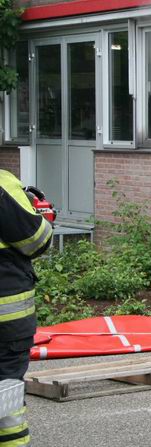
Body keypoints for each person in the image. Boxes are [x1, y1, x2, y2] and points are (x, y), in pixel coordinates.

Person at [0, 170, 54, 447]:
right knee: (5, 388)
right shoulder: (3, 184)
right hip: (7, 322)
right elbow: (36, 241)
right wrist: (39, 215)